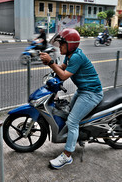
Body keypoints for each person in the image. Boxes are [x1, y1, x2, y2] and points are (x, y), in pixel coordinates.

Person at [40, 28, 103, 169]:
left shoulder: (76, 57)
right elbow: (61, 68)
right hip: (83, 91)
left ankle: (67, 156)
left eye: (62, 44)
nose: (60, 47)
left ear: (71, 45)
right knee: (69, 113)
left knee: (72, 121)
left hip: (91, 93)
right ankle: (76, 137)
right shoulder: (70, 56)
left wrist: (51, 62)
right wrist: (50, 65)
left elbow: (63, 75)